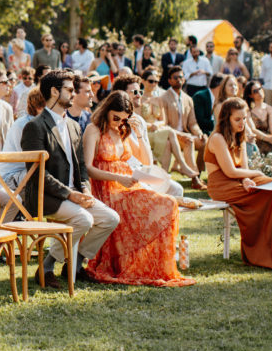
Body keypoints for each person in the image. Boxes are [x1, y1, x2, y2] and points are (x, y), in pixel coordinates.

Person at [82, 90, 194, 287]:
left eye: (123, 119)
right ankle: (125, 262)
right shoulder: (94, 129)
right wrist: (118, 178)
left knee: (167, 203)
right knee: (163, 203)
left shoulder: (122, 130)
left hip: (126, 187)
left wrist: (141, 136)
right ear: (107, 110)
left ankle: (154, 265)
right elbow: (88, 168)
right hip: (107, 189)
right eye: (116, 117)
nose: (118, 122)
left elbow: (146, 161)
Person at [20, 71, 120, 289]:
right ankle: (47, 266)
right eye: (69, 89)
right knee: (84, 219)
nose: (74, 94)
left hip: (74, 194)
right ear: (54, 92)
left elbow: (81, 166)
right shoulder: (35, 127)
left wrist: (84, 189)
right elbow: (38, 174)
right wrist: (70, 194)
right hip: (45, 197)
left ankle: (75, 262)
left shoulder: (74, 126)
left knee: (110, 218)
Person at [205, 97, 272, 269]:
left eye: (244, 118)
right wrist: (256, 174)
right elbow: (230, 171)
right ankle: (261, 253)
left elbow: (243, 169)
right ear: (227, 119)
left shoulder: (240, 136)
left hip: (238, 180)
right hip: (221, 185)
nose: (242, 123)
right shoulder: (217, 138)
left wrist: (247, 180)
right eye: (237, 119)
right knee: (268, 193)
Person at [113, 75, 184, 197]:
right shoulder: (114, 120)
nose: (139, 95)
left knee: (177, 189)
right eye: (134, 92)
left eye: (140, 91)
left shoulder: (139, 120)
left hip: (142, 169)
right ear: (122, 94)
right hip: (125, 172)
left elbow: (147, 159)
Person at [140, 70, 201, 182]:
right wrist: (150, 125)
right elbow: (138, 119)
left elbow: (163, 121)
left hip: (158, 131)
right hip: (145, 132)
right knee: (172, 133)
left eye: (156, 82)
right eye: (151, 81)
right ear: (143, 81)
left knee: (169, 143)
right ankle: (182, 165)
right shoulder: (139, 98)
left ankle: (164, 177)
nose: (154, 84)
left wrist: (157, 124)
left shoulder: (158, 99)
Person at [161, 66, 207, 189]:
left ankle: (198, 173)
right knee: (189, 140)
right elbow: (164, 124)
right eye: (175, 78)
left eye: (181, 77)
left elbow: (192, 123)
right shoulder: (164, 98)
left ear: (184, 79)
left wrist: (199, 133)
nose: (179, 80)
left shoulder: (188, 99)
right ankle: (195, 179)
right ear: (169, 80)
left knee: (203, 141)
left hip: (186, 135)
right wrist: (181, 134)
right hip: (171, 136)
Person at [244, 80, 272, 154]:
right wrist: (267, 138)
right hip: (256, 141)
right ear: (250, 95)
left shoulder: (269, 108)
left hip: (270, 139)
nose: (259, 92)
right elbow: (252, 129)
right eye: (255, 91)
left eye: (260, 89)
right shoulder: (248, 110)